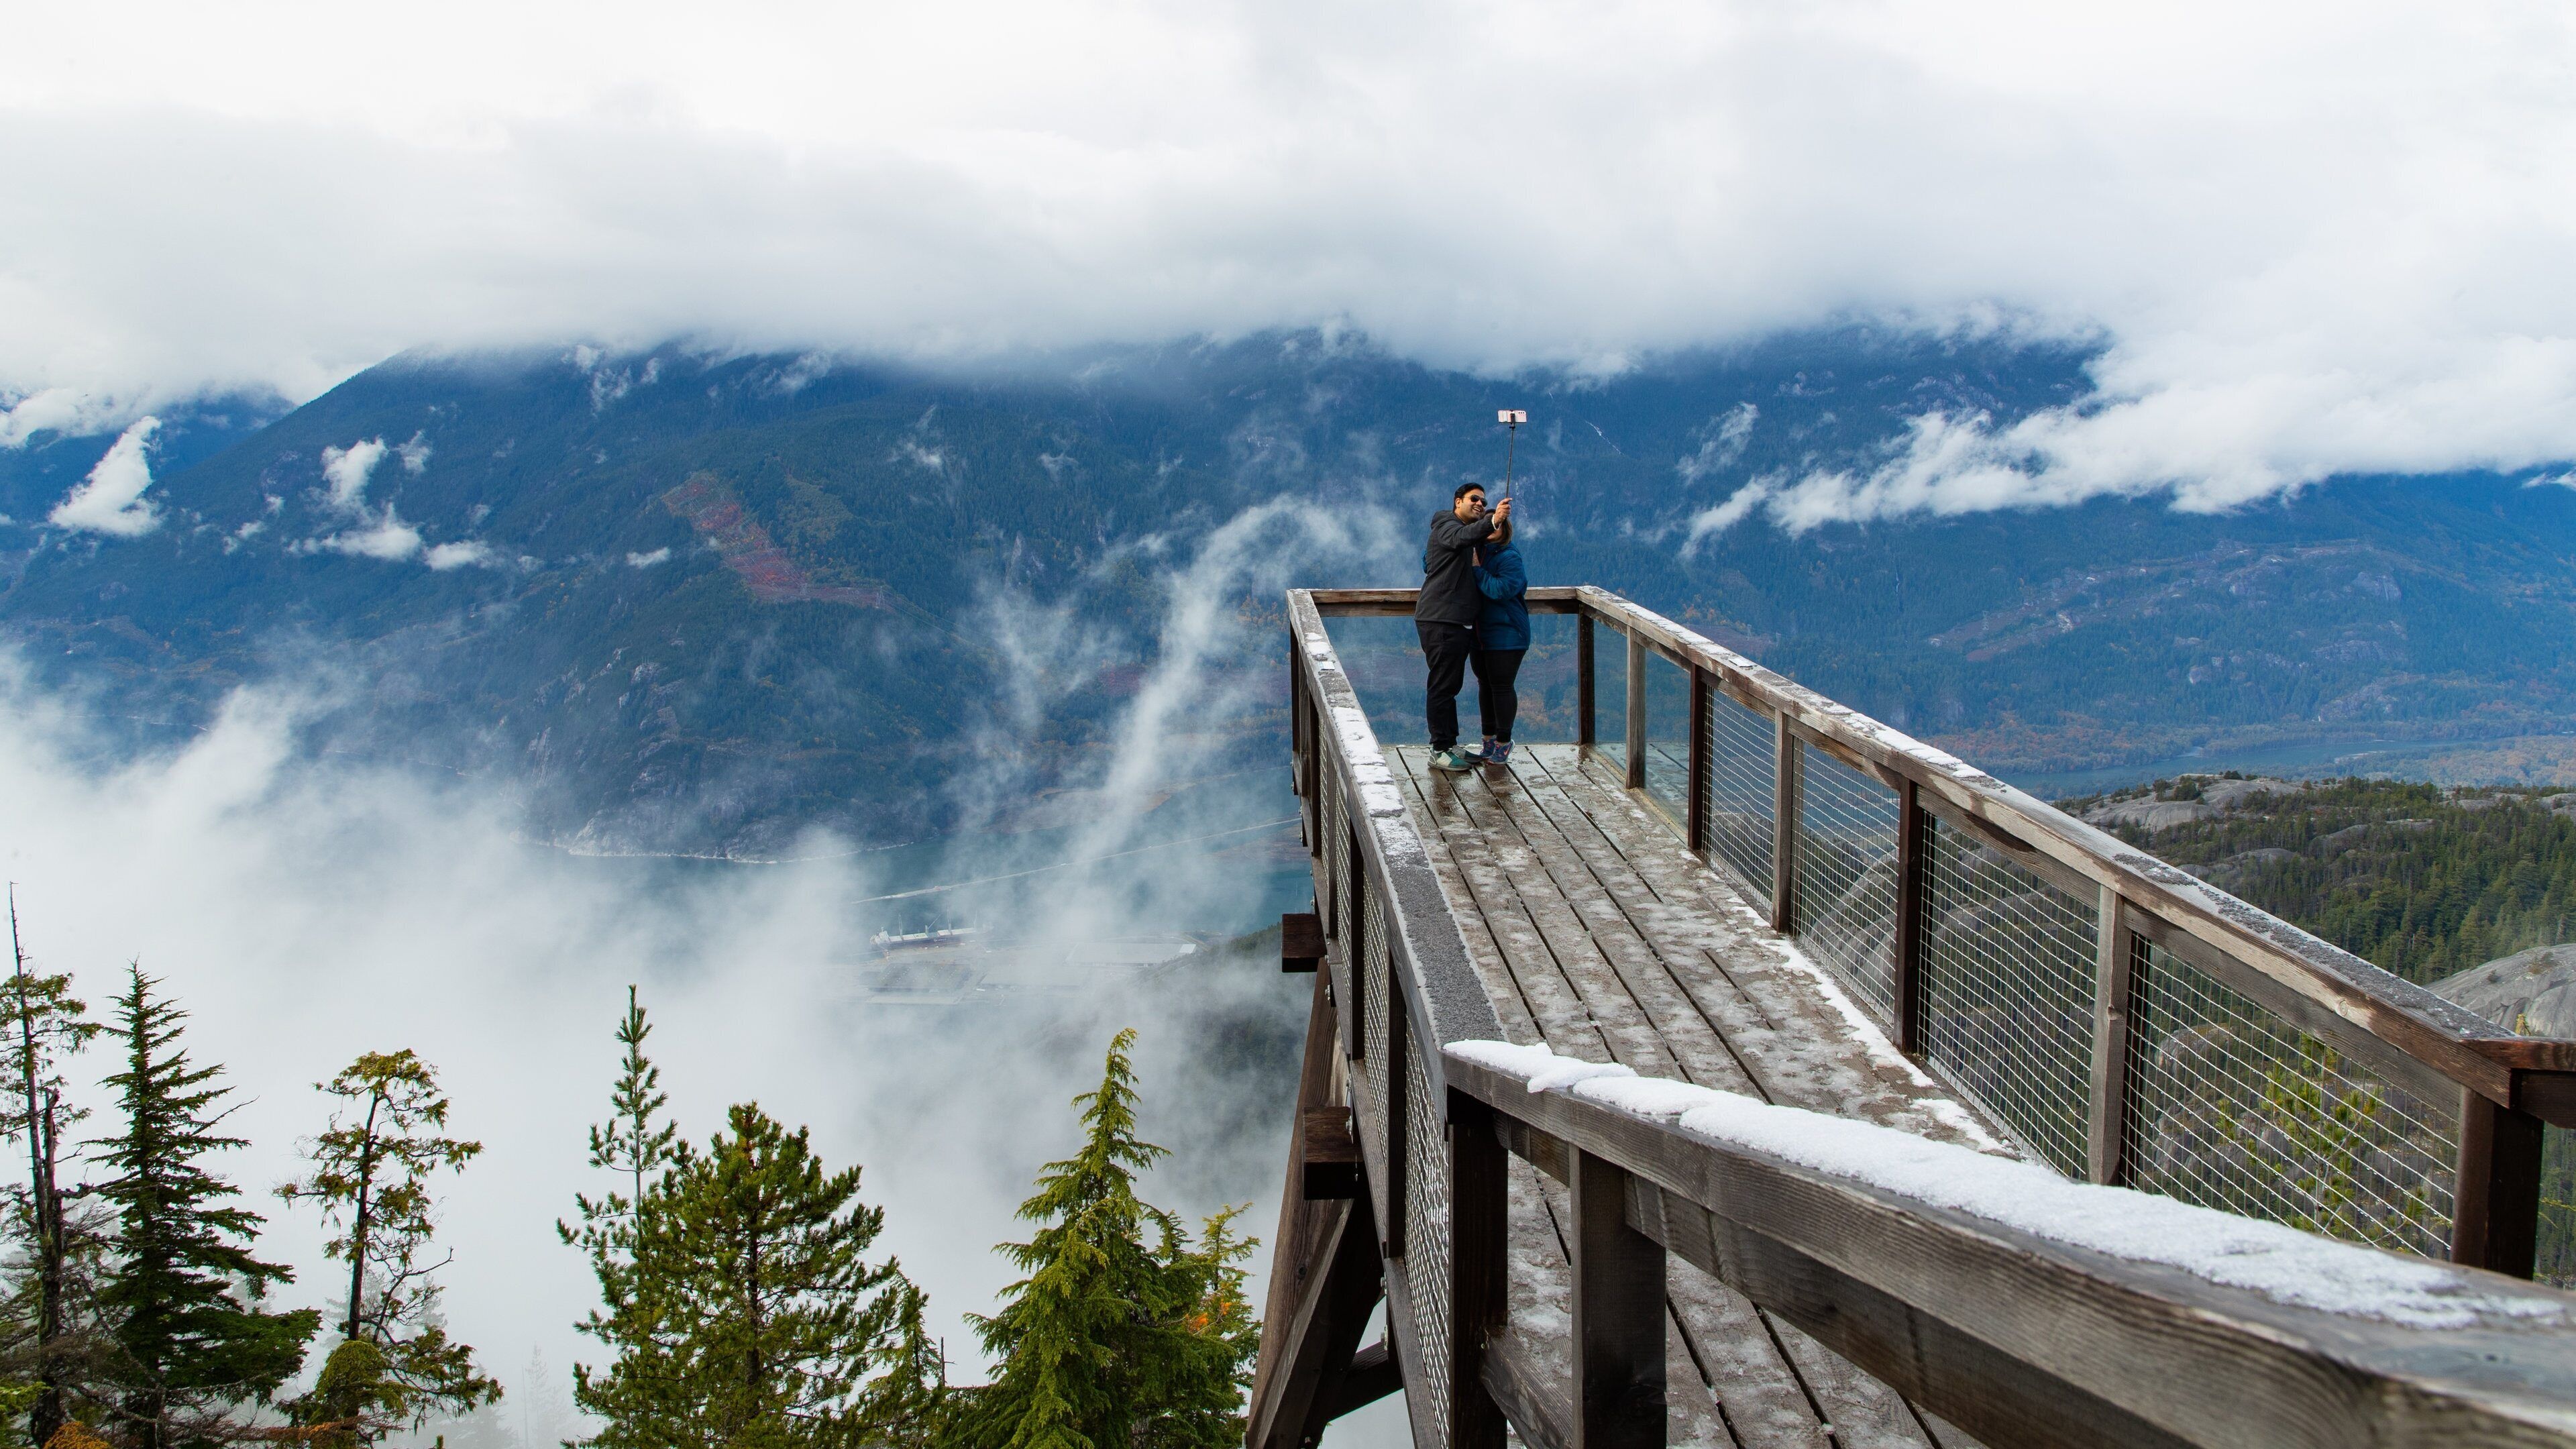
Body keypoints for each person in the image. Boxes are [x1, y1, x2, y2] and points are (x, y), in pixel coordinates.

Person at [1416, 482, 1509, 771]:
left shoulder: (1462, 534)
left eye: (1484, 500)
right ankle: (1439, 749)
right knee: (1442, 685)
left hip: (1455, 620)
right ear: (1458, 502)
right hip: (1441, 618)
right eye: (1474, 499)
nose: (1480, 503)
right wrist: (1494, 520)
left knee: (1451, 684)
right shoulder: (1446, 525)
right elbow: (1460, 538)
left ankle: (1449, 743)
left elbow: (1432, 561)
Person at [1469, 529, 1528, 765]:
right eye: (1487, 525)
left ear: (1506, 530)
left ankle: (1504, 742)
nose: (1492, 529)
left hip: (1508, 633)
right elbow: (1428, 557)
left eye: (1497, 525)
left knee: (1502, 686)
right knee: (1485, 684)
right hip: (1481, 633)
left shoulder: (1509, 556)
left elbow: (1500, 590)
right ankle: (1488, 741)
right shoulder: (1477, 550)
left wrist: (1476, 570)